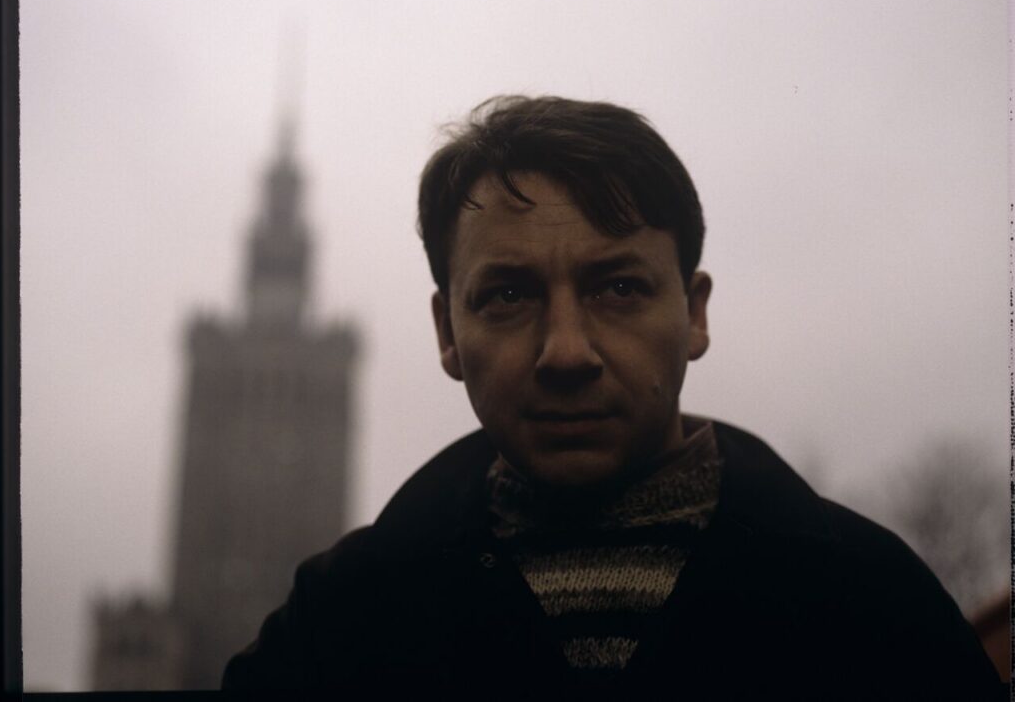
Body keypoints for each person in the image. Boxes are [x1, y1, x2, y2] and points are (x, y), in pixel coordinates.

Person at [222, 96, 1003, 698]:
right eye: (507, 296)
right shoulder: (337, 624)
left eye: (620, 287)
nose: (567, 351)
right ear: (446, 332)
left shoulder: (874, 607)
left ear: (694, 313)